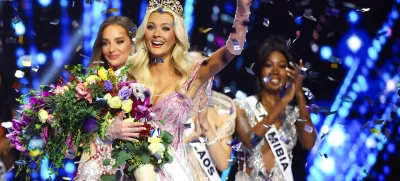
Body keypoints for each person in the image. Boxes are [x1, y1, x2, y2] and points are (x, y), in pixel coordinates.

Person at [126, 0, 251, 180]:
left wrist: (243, 11)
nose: (157, 34)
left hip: (172, 172)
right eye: (151, 27)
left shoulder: (191, 74)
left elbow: (231, 50)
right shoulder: (130, 73)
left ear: (177, 35)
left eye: (166, 28)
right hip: (131, 171)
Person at [233, 36, 316, 181]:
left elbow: (309, 143)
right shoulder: (242, 106)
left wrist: (299, 93)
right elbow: (250, 141)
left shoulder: (293, 113)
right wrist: (284, 101)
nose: (276, 71)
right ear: (259, 70)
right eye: (269, 65)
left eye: (282, 66)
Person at [75, 16, 145, 181]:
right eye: (106, 43)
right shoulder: (94, 81)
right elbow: (84, 124)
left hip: (131, 165)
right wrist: (107, 129)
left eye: (119, 41)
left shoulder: (145, 81)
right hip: (96, 161)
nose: (111, 49)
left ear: (133, 42)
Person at [183, 49, 236, 181]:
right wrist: (189, 139)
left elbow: (223, 164)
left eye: (200, 67)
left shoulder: (221, 113)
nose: (195, 74)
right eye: (188, 67)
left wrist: (207, 128)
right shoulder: (168, 108)